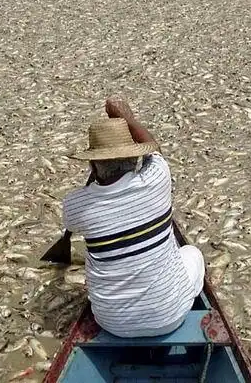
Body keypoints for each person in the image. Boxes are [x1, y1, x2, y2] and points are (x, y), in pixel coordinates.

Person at [62, 97, 205, 338]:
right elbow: (154, 149)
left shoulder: (75, 204)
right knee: (192, 253)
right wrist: (128, 119)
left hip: (112, 323)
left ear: (92, 164)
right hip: (171, 317)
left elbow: (73, 221)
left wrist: (95, 179)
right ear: (133, 157)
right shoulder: (157, 178)